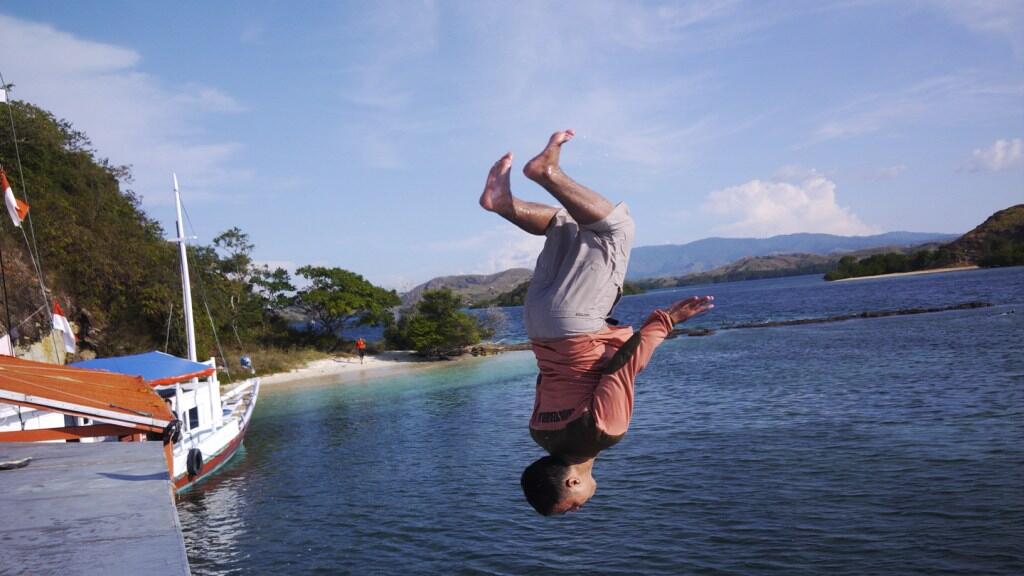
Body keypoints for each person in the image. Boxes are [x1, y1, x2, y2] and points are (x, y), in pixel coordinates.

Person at [479, 129, 714, 516]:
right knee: (567, 224)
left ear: (571, 482)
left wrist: (667, 320)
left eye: (571, 507)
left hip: (577, 325)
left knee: (614, 228)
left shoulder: (603, 434)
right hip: (538, 326)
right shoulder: (540, 434)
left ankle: (546, 173)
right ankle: (502, 201)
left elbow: (621, 370)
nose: (579, 508)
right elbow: (546, 379)